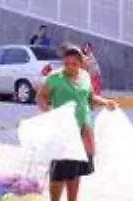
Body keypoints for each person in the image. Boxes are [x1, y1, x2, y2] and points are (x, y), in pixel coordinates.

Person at [37, 46, 118, 201]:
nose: (70, 67)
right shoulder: (55, 78)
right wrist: (47, 112)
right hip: (62, 131)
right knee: (59, 170)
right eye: (66, 63)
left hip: (83, 130)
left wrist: (106, 102)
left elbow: (90, 98)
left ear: (81, 63)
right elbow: (41, 96)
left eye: (74, 64)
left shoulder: (85, 77)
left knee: (75, 170)